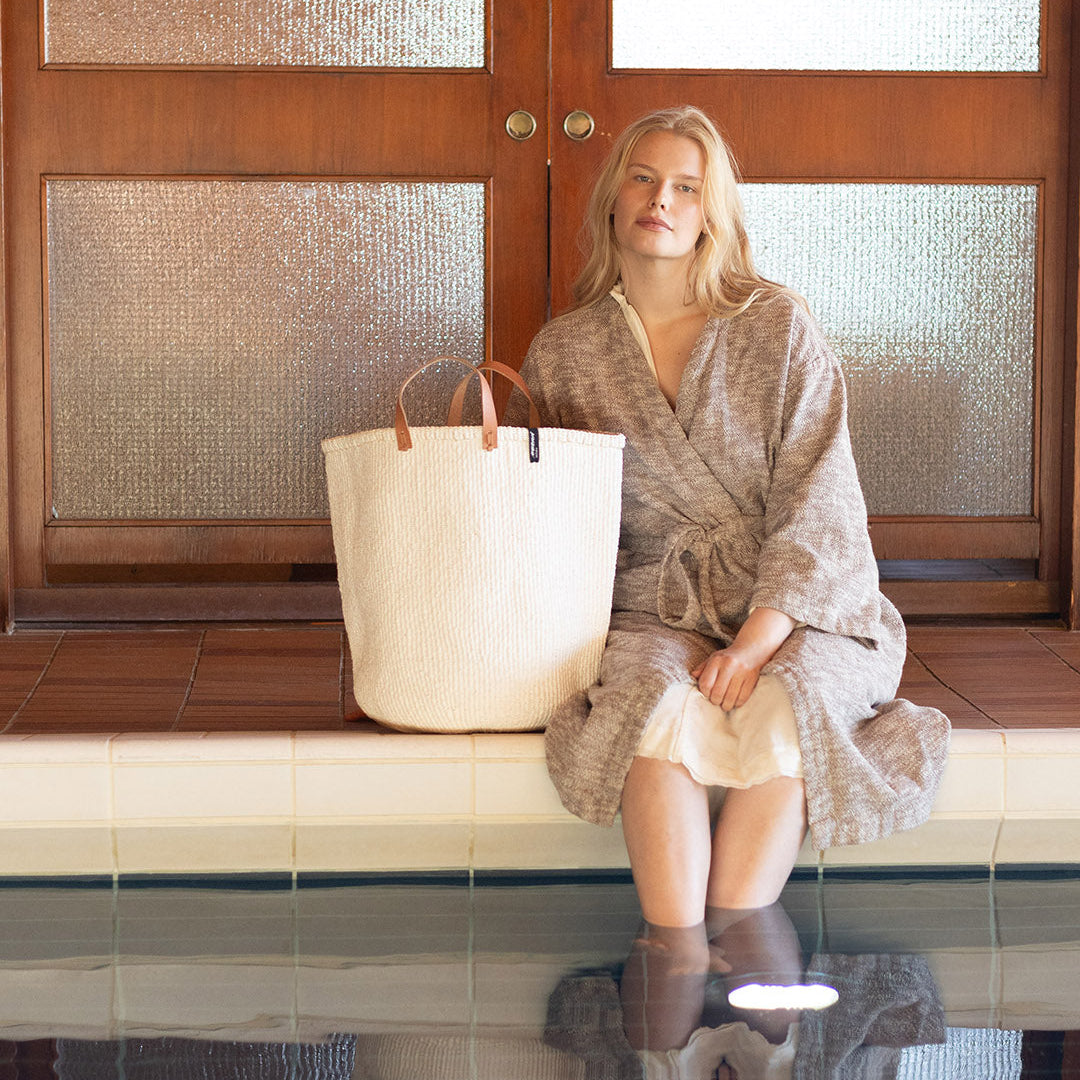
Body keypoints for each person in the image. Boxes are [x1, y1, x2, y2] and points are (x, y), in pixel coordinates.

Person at [504, 105, 950, 930]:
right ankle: (677, 961)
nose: (661, 199)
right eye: (643, 178)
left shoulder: (775, 325)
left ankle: (740, 964)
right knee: (649, 706)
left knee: (790, 707)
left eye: (685, 186)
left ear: (711, 213)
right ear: (612, 197)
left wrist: (755, 643)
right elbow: (554, 515)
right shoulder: (566, 350)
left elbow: (822, 499)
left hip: (802, 609)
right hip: (653, 604)